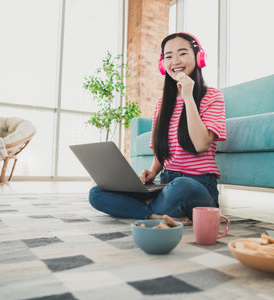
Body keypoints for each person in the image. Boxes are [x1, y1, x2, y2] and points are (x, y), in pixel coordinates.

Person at [89, 32, 226, 225]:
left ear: (199, 57)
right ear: (163, 64)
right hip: (165, 184)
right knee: (96, 193)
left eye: (182, 53)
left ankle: (144, 209)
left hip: (197, 186)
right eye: (168, 56)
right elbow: (161, 154)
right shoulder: (162, 105)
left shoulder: (213, 97)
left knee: (182, 185)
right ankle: (154, 215)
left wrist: (188, 97)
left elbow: (201, 143)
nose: (175, 61)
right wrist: (152, 172)